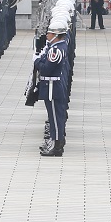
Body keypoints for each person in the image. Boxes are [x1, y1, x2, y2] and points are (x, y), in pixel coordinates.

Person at [36, 16, 70, 157]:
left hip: (52, 86)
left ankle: (56, 145)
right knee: (55, 115)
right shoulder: (55, 47)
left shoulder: (55, 50)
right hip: (52, 85)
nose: (47, 35)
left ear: (56, 35)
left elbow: (45, 69)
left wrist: (37, 60)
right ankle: (56, 143)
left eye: (49, 33)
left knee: (55, 117)